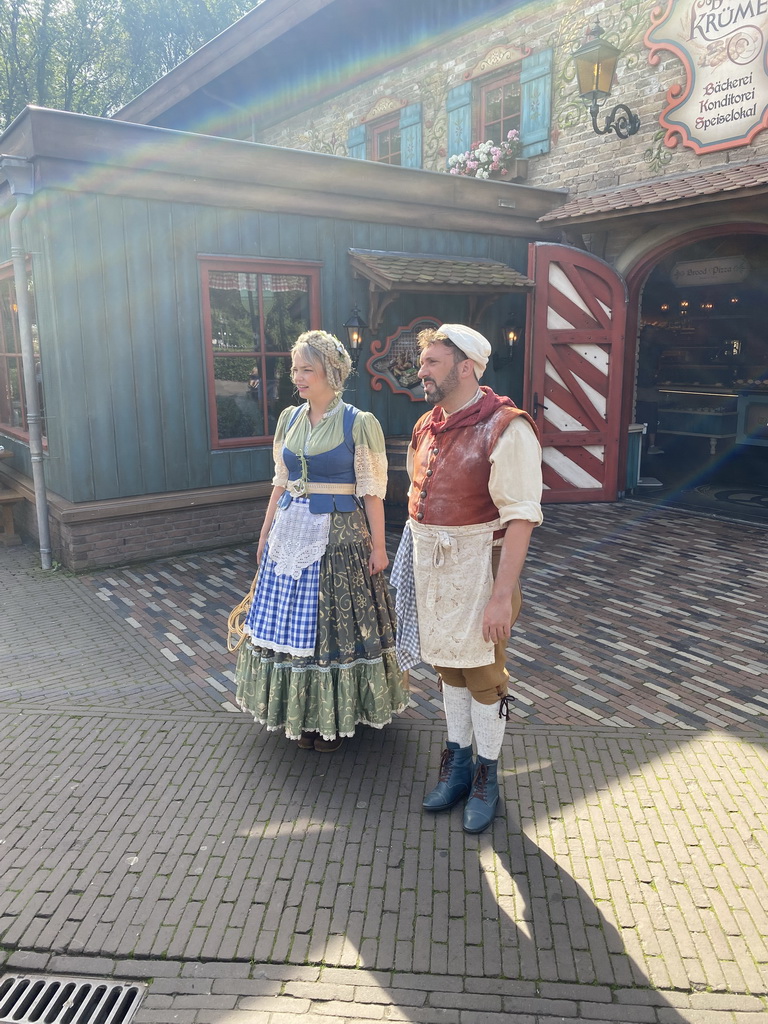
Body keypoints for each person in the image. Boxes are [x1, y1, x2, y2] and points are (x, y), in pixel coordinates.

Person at [392, 324, 542, 833]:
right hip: (436, 565)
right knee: (448, 669)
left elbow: (521, 515)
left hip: (483, 565)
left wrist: (502, 597)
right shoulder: (426, 426)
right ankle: (457, 765)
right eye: (423, 362)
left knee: (483, 674)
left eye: (432, 362)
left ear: (466, 367)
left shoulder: (506, 427)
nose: (422, 371)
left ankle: (487, 778)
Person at [235, 330, 408, 752]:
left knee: (330, 628)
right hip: (290, 535)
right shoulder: (289, 420)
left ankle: (331, 717)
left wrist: (380, 547)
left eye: (306, 369)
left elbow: (371, 490)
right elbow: (281, 481)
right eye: (295, 369)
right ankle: (300, 715)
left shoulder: (358, 423)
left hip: (341, 540)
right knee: (288, 623)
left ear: (331, 372)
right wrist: (265, 532)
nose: (297, 377)